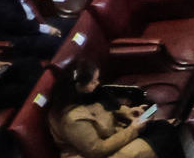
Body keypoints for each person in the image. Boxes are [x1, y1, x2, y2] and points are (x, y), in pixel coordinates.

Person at [46, 61, 180, 158]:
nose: (97, 83)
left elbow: (106, 108)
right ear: (80, 86)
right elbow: (97, 151)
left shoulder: (88, 94)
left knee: (162, 128)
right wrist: (133, 129)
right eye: (93, 82)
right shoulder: (73, 119)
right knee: (162, 137)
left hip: (113, 135)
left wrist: (128, 112)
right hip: (99, 153)